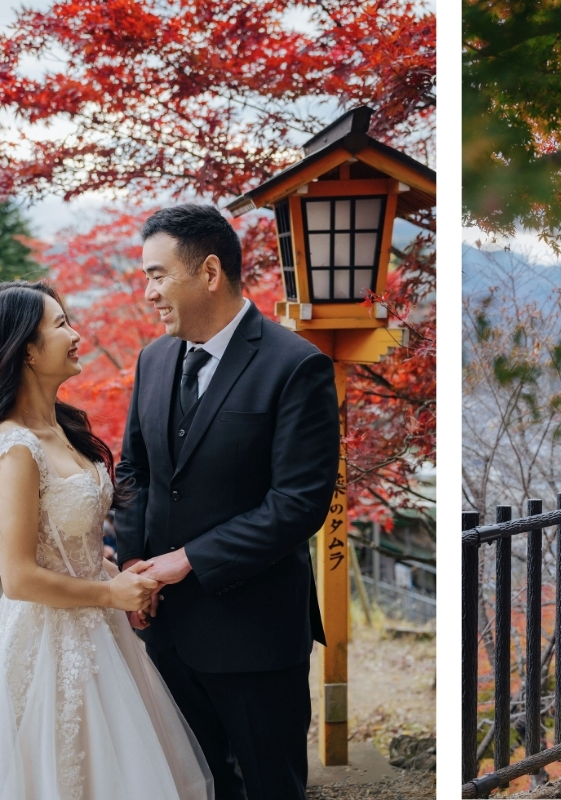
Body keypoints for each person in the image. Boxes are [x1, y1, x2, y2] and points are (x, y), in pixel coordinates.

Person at [0, 281, 212, 800]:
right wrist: (110, 595)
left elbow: (70, 546)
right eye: (60, 325)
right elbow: (18, 577)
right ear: (26, 351)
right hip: (46, 644)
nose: (76, 334)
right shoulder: (15, 446)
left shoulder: (63, 427)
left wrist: (116, 576)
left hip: (101, 634)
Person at [114, 204, 340, 800]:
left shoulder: (297, 366)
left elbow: (298, 504)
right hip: (164, 634)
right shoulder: (154, 359)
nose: (148, 292)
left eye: (158, 275)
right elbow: (135, 472)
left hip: (257, 638)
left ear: (209, 272)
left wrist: (184, 560)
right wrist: (134, 571)